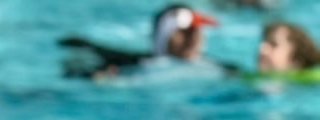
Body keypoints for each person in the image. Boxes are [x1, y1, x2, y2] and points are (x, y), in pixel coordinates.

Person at [59, 6, 237, 80]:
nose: (193, 39)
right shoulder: (134, 67)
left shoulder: (220, 69)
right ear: (163, 37)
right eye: (184, 33)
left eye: (196, 32)